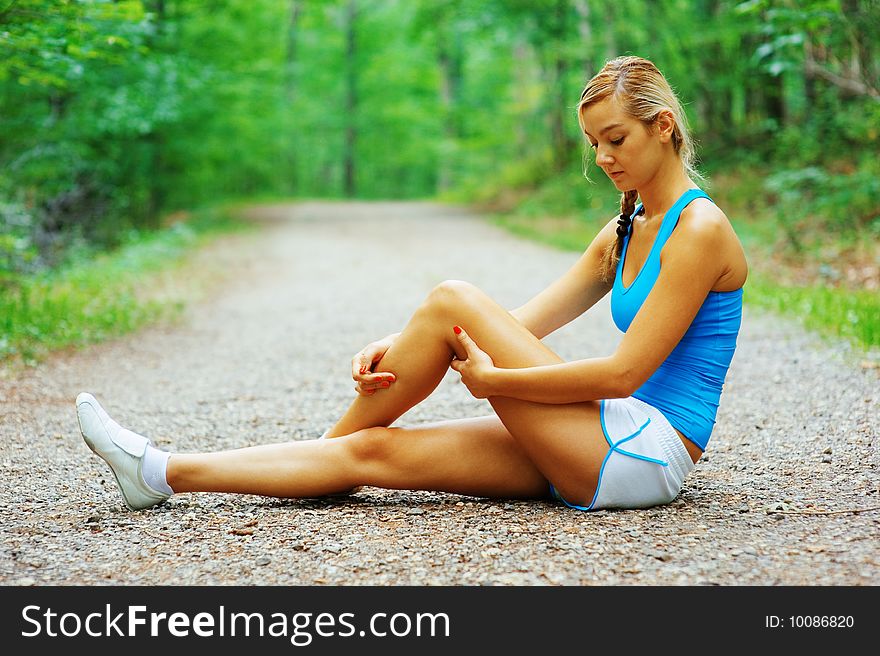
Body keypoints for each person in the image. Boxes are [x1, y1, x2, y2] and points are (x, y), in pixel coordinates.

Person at [76, 55, 747, 513]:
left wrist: (496, 383)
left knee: (453, 296)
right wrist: (413, 338)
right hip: (601, 436)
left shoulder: (699, 229)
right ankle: (158, 472)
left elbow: (623, 373)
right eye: (593, 143)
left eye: (616, 140)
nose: (602, 158)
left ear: (664, 128)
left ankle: (317, 458)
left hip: (645, 453)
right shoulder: (625, 229)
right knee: (374, 450)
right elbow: (522, 325)